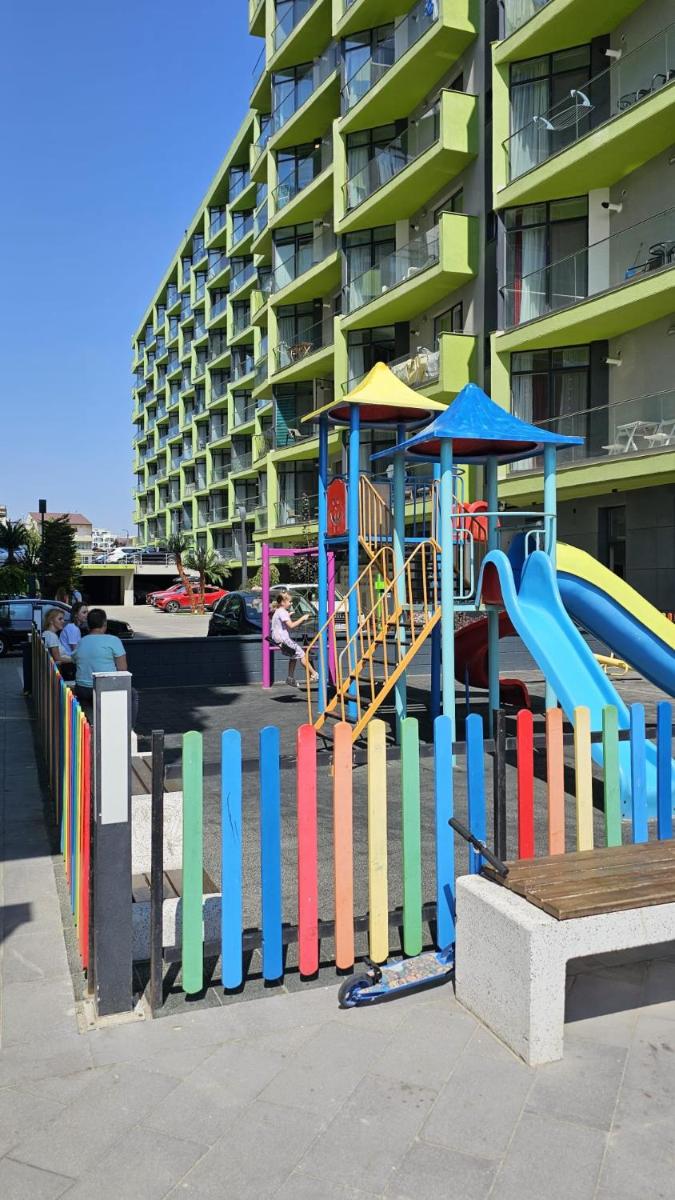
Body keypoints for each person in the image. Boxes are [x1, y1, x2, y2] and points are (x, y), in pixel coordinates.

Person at [73, 608, 138, 725]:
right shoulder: (113, 640)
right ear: (105, 624)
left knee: (90, 712)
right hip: (104, 688)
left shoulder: (81, 641)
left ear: (88, 625)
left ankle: (92, 725)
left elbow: (75, 659)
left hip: (82, 689)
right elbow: (122, 670)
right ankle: (128, 729)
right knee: (132, 694)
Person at [270, 591, 318, 688]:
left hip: (277, 638)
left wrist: (288, 615)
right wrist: (303, 618)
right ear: (283, 602)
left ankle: (290, 678)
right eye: (290, 601)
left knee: (294, 656)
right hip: (283, 638)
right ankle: (314, 674)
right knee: (302, 654)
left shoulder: (278, 611)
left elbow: (280, 622)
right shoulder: (283, 612)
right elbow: (291, 626)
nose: (291, 603)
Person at [41, 608, 74, 675]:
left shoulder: (47, 633)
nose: (63, 621)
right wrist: (75, 660)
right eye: (60, 619)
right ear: (51, 621)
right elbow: (57, 658)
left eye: (63, 619)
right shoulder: (52, 636)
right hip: (58, 672)